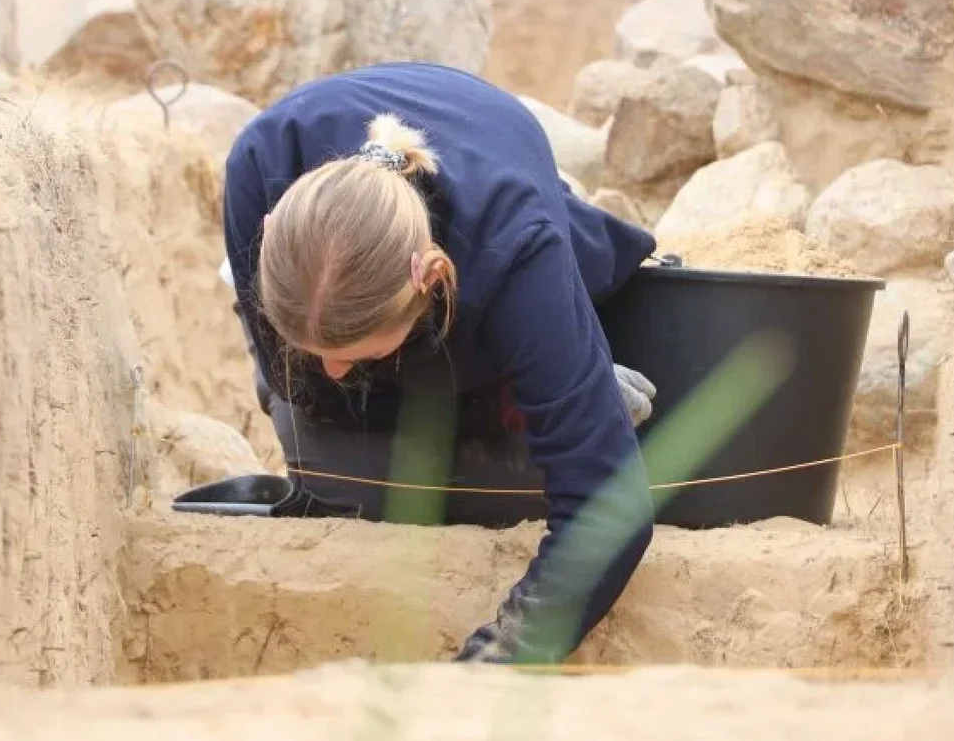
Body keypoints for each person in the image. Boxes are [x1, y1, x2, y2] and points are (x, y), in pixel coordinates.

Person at [221, 61, 659, 665]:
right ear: (268, 235)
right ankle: (536, 388)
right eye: (321, 353)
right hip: (376, 242)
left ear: (428, 277)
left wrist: (485, 671)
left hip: (496, 220)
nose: (337, 374)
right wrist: (309, 367)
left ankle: (543, 371)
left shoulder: (519, 250)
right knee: (317, 433)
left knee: (469, 465)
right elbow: (304, 385)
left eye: (356, 355)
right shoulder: (259, 168)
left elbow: (609, 509)